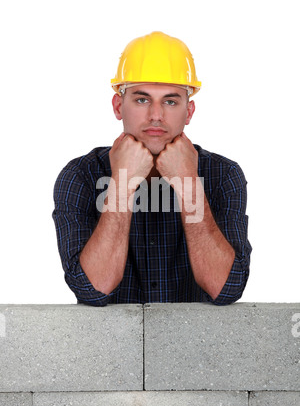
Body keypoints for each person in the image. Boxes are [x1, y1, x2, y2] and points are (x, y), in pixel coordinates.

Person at [52, 31, 252, 307]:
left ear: (189, 111)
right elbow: (92, 289)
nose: (156, 115)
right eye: (142, 99)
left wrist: (188, 183)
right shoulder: (81, 176)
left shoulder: (223, 175)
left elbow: (226, 289)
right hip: (108, 349)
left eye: (170, 101)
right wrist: (122, 182)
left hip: (199, 347)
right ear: (118, 105)